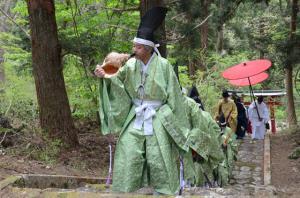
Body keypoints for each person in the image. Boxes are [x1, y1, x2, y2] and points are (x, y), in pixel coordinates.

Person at [94, 7, 191, 195]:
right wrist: (104, 75)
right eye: (134, 46)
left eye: (138, 47)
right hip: (137, 113)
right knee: (127, 147)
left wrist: (176, 123)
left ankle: (165, 191)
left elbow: (174, 95)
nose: (134, 50)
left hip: (158, 115)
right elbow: (116, 79)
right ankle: (125, 189)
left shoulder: (163, 66)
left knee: (159, 153)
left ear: (148, 48)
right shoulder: (130, 64)